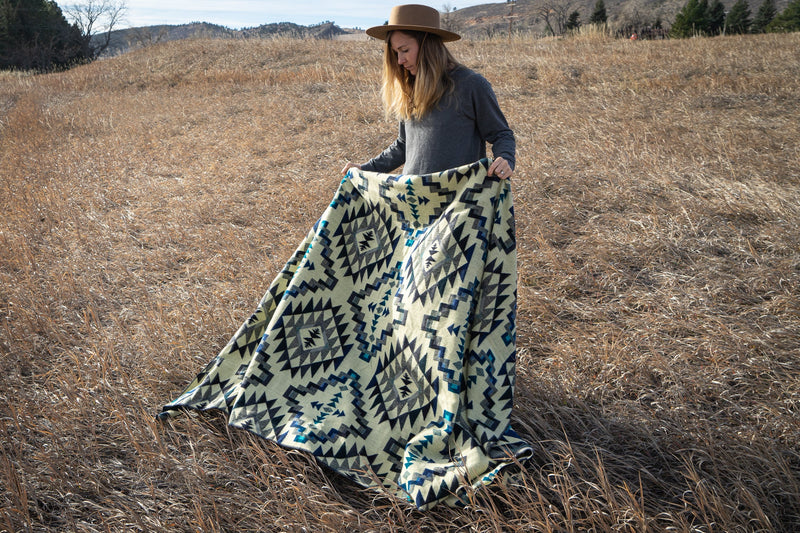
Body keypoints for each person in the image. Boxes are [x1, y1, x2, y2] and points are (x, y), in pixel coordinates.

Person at [341, 4, 515, 181]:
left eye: (405, 50)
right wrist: (365, 168)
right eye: (396, 53)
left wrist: (505, 158)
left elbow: (501, 134)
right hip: (412, 194)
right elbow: (404, 144)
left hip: (459, 195)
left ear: (428, 45)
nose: (400, 60)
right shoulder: (410, 86)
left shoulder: (471, 85)